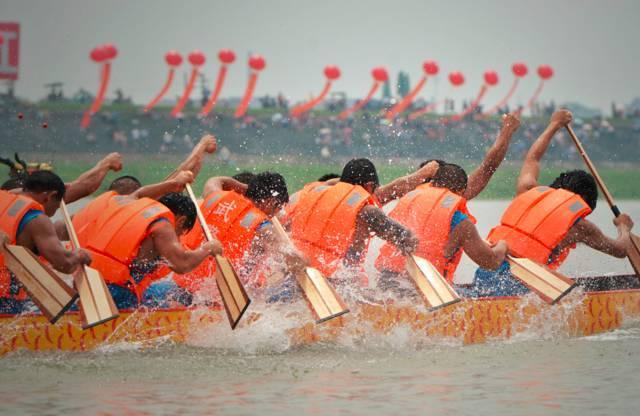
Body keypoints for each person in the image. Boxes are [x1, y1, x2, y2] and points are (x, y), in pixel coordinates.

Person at [465, 109, 635, 297]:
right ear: (583, 203)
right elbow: (621, 250)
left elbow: (533, 158)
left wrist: (553, 125)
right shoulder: (578, 226)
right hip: (522, 284)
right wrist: (624, 227)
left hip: (485, 274)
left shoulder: (527, 191)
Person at [375, 113, 520, 290]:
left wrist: (420, 175)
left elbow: (381, 195)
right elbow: (490, 261)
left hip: (386, 284)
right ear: (460, 191)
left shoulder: (410, 194)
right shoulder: (459, 219)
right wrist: (503, 245)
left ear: (432, 182)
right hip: (424, 291)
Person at [72, 171, 223, 308]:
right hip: (117, 295)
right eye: (181, 233)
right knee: (178, 303)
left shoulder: (127, 203)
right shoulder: (163, 226)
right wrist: (208, 248)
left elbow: (140, 193)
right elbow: (182, 264)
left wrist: (173, 183)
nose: (177, 238)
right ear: (181, 221)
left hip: (85, 285)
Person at [168, 172, 308, 304]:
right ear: (271, 202)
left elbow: (216, 180)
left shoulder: (216, 195)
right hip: (214, 300)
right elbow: (292, 257)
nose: (275, 214)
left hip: (179, 284)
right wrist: (305, 263)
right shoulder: (263, 227)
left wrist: (245, 187)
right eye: (278, 208)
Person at [284, 158, 423, 285]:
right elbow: (408, 240)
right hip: (337, 283)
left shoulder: (309, 194)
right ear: (369, 186)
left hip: (294, 275)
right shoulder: (368, 211)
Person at [0, 171, 92, 313]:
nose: (55, 210)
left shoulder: (5, 197)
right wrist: (80, 256)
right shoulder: (37, 219)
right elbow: (64, 264)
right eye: (57, 205)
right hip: (5, 299)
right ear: (49, 196)